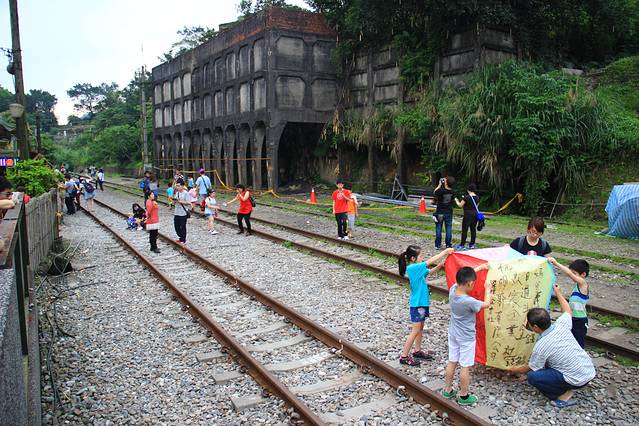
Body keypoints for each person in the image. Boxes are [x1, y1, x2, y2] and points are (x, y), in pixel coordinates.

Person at [509, 283, 596, 408]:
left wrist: (513, 370)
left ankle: (563, 395)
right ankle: (567, 383)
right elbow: (567, 310)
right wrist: (558, 292)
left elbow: (532, 368)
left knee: (533, 377)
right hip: (588, 371)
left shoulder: (541, 346)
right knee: (547, 363)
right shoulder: (561, 325)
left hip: (576, 379)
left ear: (535, 327)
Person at [441, 264, 492, 405]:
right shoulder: (469, 301)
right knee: (465, 366)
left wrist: (480, 268)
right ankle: (464, 396)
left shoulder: (453, 290)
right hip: (466, 337)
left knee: (452, 361)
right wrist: (488, 289)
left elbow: (463, 277)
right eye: (473, 283)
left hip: (453, 333)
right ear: (469, 283)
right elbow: (487, 304)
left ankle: (447, 389)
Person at [398, 246, 454, 366]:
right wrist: (444, 252)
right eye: (420, 256)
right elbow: (429, 262)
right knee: (415, 330)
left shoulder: (417, 269)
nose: (422, 258)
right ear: (413, 259)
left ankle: (417, 351)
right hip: (417, 305)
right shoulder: (413, 268)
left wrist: (440, 266)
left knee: (420, 328)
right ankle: (404, 356)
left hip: (422, 303)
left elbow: (429, 272)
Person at [548, 257, 590, 348]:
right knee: (571, 342)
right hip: (572, 318)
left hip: (580, 320)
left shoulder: (583, 284)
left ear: (583, 274)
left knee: (578, 344)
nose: (572, 275)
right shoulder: (577, 287)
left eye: (574, 273)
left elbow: (569, 274)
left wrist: (556, 263)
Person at [455, 183, 479, 249]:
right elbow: (476, 206)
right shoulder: (477, 197)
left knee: (465, 229)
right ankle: (472, 244)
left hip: (467, 215)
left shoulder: (466, 197)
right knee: (473, 229)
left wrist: (456, 201)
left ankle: (462, 244)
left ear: (468, 190)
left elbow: (460, 205)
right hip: (475, 214)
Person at [433, 176, 455, 249]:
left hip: (440, 212)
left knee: (439, 228)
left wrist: (439, 185)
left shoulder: (440, 191)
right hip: (449, 212)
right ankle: (448, 244)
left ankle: (438, 244)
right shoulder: (453, 191)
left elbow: (434, 192)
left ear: (446, 183)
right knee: (448, 228)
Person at [172, 179, 191, 244]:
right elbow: (175, 201)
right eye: (177, 186)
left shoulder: (186, 193)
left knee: (183, 226)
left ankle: (183, 239)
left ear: (182, 186)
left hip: (183, 213)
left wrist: (180, 201)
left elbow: (189, 202)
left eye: (179, 186)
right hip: (176, 212)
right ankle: (180, 237)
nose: (177, 187)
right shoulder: (177, 193)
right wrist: (174, 201)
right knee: (176, 226)